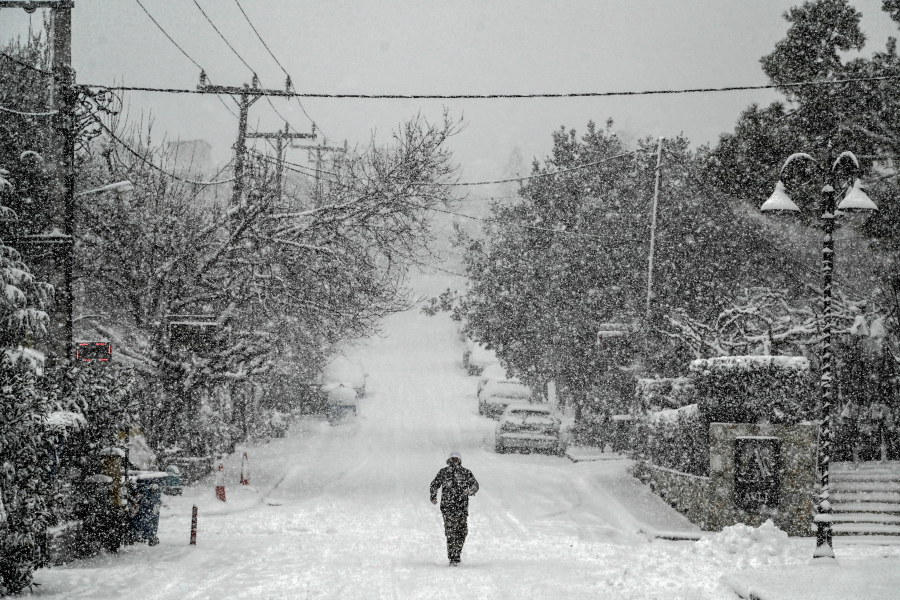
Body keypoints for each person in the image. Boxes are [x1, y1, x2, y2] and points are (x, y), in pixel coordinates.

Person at [429, 451, 479, 567]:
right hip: (448, 508)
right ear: (449, 460)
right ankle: (453, 558)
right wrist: (433, 496)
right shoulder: (444, 472)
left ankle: (457, 553)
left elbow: (475, 485)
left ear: (460, 460)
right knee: (451, 533)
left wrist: (470, 491)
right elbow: (434, 484)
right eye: (452, 459)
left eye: (456, 459)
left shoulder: (466, 473)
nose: (454, 461)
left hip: (462, 508)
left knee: (462, 532)